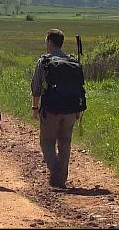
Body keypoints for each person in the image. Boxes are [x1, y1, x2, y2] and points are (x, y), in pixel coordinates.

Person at [30, 28, 82, 189]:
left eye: (46, 41)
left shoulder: (44, 61)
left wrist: (34, 107)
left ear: (50, 42)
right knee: (65, 143)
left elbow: (36, 86)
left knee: (47, 142)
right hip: (71, 110)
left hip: (51, 109)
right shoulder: (72, 61)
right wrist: (78, 109)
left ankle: (56, 172)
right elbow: (79, 87)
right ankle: (62, 177)